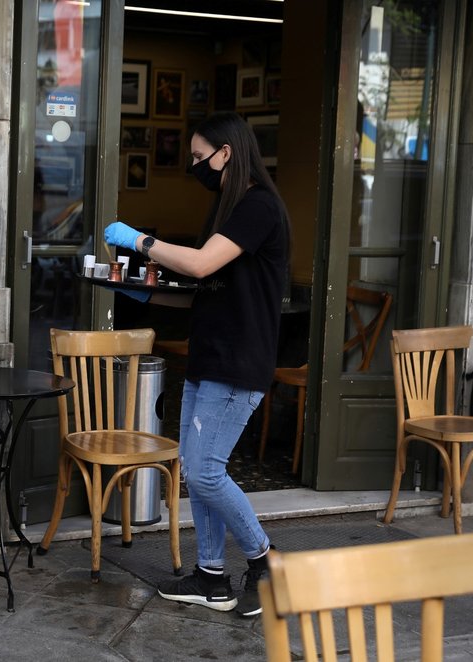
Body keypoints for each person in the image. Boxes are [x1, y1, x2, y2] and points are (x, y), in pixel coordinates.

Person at [104, 111, 290, 618]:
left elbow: (203, 263)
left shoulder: (258, 207)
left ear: (225, 152)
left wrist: (139, 240)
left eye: (197, 156)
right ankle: (211, 575)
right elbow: (203, 289)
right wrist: (139, 292)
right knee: (197, 467)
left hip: (238, 362)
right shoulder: (229, 210)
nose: (193, 165)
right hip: (212, 356)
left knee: (206, 474)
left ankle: (266, 560)